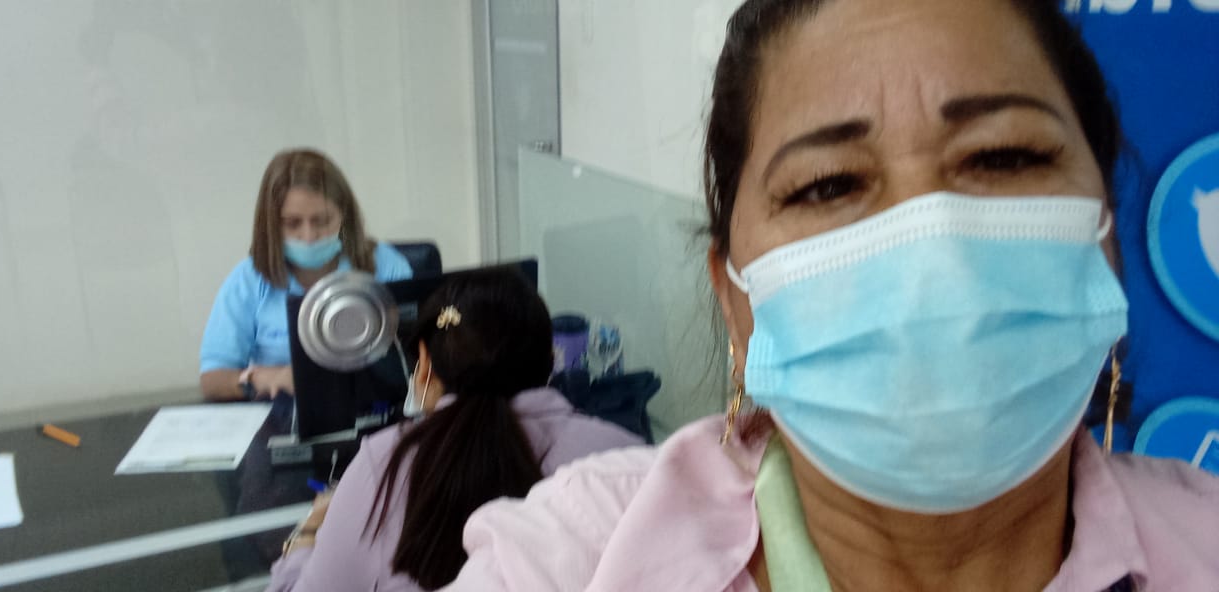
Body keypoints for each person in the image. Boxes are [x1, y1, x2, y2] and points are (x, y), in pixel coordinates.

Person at [444, 1, 1219, 590]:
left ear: (1108, 241)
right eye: (826, 185)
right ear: (735, 302)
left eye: (1005, 156)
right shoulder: (574, 557)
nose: (933, 250)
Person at [265, 267, 643, 592]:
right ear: (550, 361)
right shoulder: (622, 459)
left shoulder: (383, 463)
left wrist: (307, 534)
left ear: (424, 365)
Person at [200, 149, 413, 400]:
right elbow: (213, 379)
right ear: (271, 224)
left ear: (344, 216)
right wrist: (266, 378)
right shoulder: (248, 280)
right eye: (292, 223)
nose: (309, 236)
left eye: (322, 220)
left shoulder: (386, 265)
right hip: (287, 410)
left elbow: (424, 353)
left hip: (379, 406)